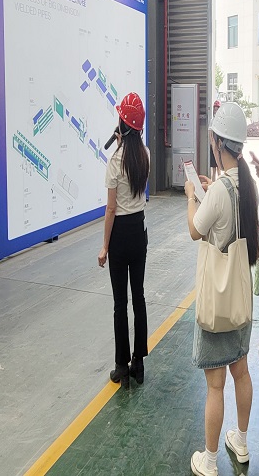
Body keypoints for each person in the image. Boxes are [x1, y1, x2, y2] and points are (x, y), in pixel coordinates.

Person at [186, 102, 258, 475]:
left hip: (218, 302)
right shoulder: (247, 184)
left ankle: (210, 461)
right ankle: (241, 443)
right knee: (240, 372)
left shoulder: (217, 190)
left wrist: (191, 195)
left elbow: (195, 230)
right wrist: (209, 192)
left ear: (216, 143)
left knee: (215, 385)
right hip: (240, 299)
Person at [98, 93, 150, 388]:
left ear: (122, 125)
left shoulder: (114, 161)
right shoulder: (146, 155)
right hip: (139, 231)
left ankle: (121, 365)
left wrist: (105, 246)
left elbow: (111, 209)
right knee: (138, 297)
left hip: (119, 234)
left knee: (121, 302)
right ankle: (138, 363)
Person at [209, 100, 221, 179]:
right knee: (213, 169)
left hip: (219, 146)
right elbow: (210, 133)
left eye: (217, 109)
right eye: (215, 109)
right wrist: (212, 144)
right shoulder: (212, 121)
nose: (216, 110)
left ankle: (220, 183)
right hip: (213, 146)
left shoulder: (221, 121)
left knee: (219, 168)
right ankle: (213, 183)